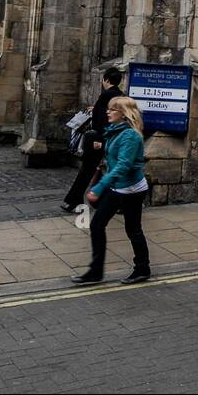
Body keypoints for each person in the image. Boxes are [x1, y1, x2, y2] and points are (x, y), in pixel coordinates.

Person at [72, 96, 151, 285]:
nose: (108, 112)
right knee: (97, 225)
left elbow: (123, 165)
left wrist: (99, 187)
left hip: (131, 188)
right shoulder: (116, 132)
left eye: (113, 109)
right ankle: (95, 271)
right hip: (117, 186)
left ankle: (142, 268)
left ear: (124, 114)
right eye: (109, 108)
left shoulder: (129, 136)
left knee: (133, 229)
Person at [61, 69, 124, 213]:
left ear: (106, 80)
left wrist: (99, 139)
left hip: (99, 140)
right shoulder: (120, 96)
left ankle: (72, 202)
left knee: (86, 171)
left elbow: (100, 121)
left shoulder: (105, 95)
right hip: (114, 140)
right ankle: (117, 203)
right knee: (112, 171)